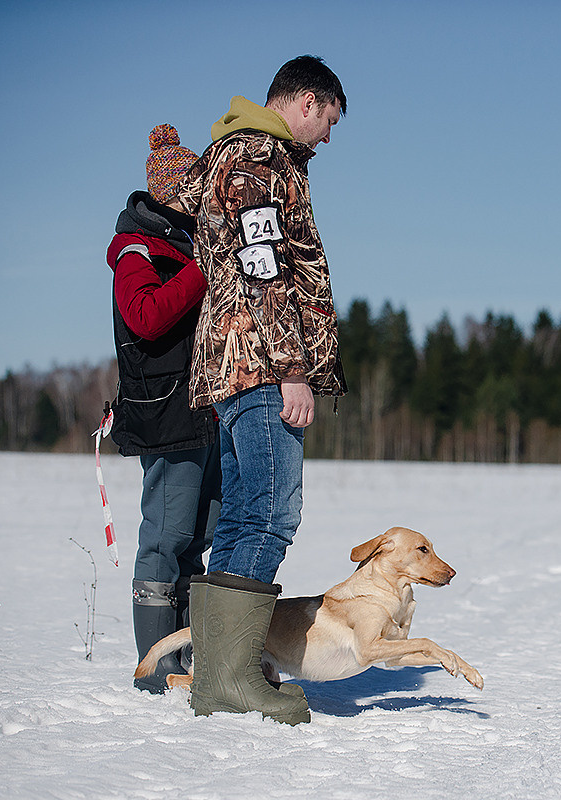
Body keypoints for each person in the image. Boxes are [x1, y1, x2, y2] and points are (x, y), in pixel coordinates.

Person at [172, 55, 347, 725]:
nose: (327, 138)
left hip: (237, 365)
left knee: (246, 515)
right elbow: (263, 267)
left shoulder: (241, 157)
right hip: (261, 366)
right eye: (328, 121)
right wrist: (293, 371)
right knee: (271, 513)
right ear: (305, 102)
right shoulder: (255, 162)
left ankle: (223, 674)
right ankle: (232, 674)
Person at [107, 125, 219, 694]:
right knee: (166, 537)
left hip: (204, 412)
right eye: (195, 187)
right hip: (167, 415)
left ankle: (189, 656)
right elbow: (146, 316)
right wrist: (204, 272)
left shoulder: (189, 246)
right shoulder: (136, 251)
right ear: (173, 193)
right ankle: (155, 671)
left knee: (200, 539)